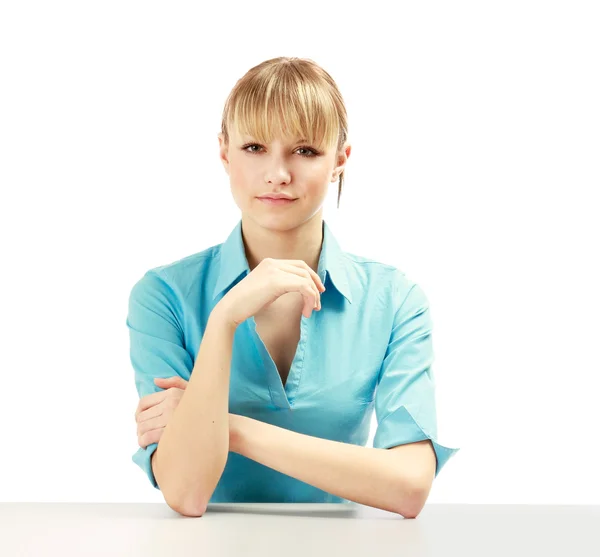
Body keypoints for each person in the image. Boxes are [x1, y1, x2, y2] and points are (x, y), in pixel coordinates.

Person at [127, 56, 460, 510]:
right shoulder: (164, 297)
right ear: (224, 152)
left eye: (304, 151)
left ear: (340, 159)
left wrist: (226, 426)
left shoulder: (395, 301)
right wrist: (225, 318)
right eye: (254, 148)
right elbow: (185, 493)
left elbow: (409, 486)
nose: (278, 174)